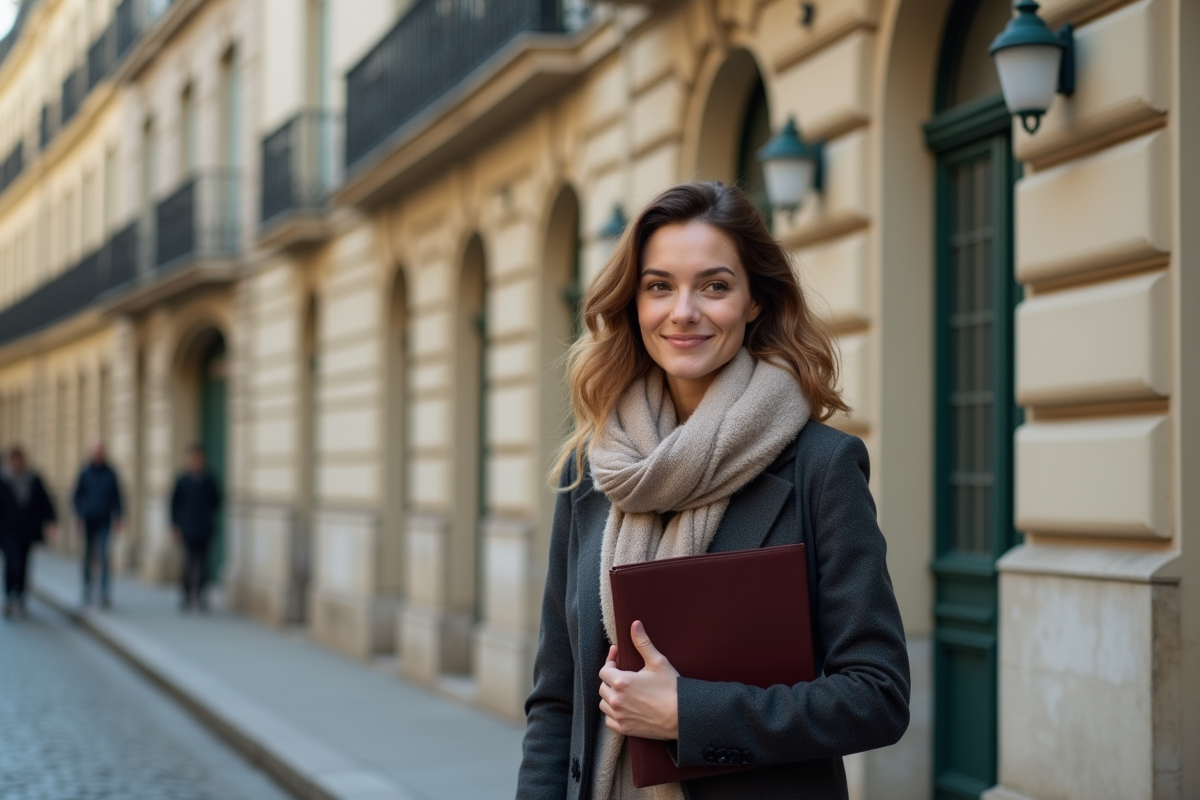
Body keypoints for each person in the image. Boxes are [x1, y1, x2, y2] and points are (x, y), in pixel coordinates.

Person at [517, 182, 910, 799]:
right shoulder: (592, 473)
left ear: (755, 301)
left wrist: (687, 713)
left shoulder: (820, 467)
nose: (683, 311)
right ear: (634, 303)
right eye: (659, 286)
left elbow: (877, 695)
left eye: (715, 285)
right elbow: (557, 699)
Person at [1, 447, 57, 618]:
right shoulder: (3, 480)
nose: (16, 463)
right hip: (7, 531)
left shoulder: (33, 479)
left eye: (19, 460)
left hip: (27, 531)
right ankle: (10, 595)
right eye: (14, 460)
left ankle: (21, 596)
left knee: (24, 564)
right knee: (12, 562)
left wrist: (51, 521)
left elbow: (45, 501)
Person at [170, 443, 222, 612]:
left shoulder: (209, 479)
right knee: (188, 563)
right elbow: (174, 504)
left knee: (204, 563)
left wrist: (208, 515)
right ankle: (186, 595)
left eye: (198, 458)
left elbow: (217, 500)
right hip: (187, 527)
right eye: (193, 458)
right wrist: (175, 525)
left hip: (204, 527)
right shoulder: (182, 479)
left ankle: (200, 596)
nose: (195, 461)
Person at [73, 440, 123, 609]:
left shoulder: (110, 473)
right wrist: (79, 514)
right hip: (88, 519)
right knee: (87, 555)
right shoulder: (85, 472)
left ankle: (103, 593)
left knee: (104, 554)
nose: (99, 454)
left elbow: (117, 496)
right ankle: (87, 588)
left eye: (101, 451)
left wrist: (119, 516)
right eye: (96, 451)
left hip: (105, 519)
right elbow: (77, 495)